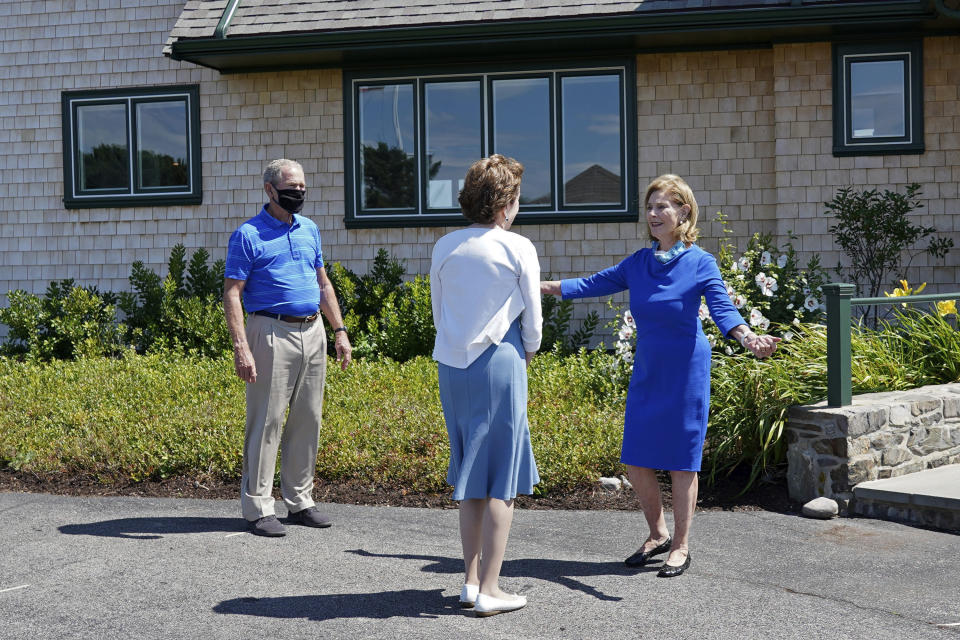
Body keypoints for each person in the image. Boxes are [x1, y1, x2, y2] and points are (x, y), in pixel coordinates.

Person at [541, 174, 779, 577]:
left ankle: (682, 546)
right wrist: (540, 285)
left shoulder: (700, 261)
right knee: (636, 457)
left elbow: (722, 308)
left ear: (683, 211)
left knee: (682, 460)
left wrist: (747, 336)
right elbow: (590, 284)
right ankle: (658, 534)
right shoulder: (638, 263)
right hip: (650, 369)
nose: (653, 214)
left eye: (662, 206)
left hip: (687, 369)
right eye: (649, 207)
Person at [430, 154, 542, 616]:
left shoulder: (445, 245)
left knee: (471, 472)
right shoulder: (517, 247)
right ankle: (492, 590)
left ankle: (471, 582)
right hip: (500, 359)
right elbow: (532, 321)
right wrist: (528, 350)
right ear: (505, 204)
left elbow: (439, 313)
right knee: (502, 477)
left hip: (453, 365)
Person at [223, 158, 353, 537]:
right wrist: (241, 347)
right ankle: (258, 507)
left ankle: (299, 500)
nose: (298, 194)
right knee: (266, 420)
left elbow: (323, 284)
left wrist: (339, 330)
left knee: (307, 419)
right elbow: (232, 293)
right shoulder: (248, 235)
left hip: (312, 333)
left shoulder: (309, 230)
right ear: (269, 190)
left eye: (302, 188)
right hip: (270, 331)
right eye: (290, 188)